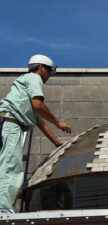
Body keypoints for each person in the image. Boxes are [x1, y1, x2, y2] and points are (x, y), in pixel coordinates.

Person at [0, 54, 71, 213]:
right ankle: (2, 209)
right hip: (11, 125)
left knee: (4, 164)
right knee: (10, 166)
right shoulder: (34, 78)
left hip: (6, 122)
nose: (48, 77)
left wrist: (57, 141)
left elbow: (38, 120)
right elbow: (38, 105)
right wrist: (58, 122)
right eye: (49, 71)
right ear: (40, 68)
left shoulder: (24, 83)